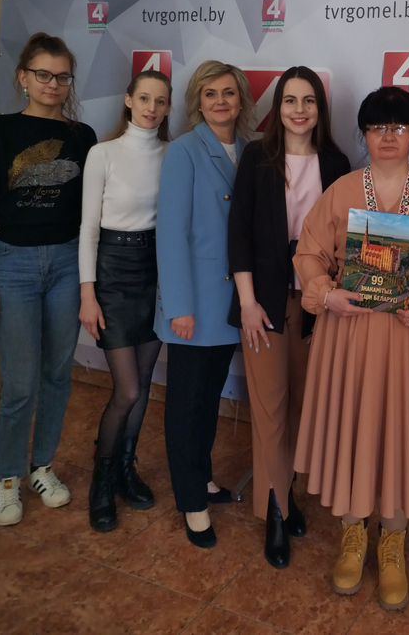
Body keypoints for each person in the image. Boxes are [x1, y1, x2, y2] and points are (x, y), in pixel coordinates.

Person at [293, 86, 409, 610]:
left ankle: (392, 543)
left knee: (398, 433)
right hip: (350, 334)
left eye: (400, 127)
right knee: (354, 429)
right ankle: (352, 535)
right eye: (377, 127)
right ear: (363, 133)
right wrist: (326, 294)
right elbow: (309, 254)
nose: (388, 137)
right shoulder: (342, 189)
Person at [0, 32, 97, 526]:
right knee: (20, 383)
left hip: (67, 263)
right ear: (23, 77)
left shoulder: (82, 137)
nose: (53, 84)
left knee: (58, 375)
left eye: (62, 76)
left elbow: (91, 211)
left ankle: (41, 466)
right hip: (13, 265)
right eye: (43, 74)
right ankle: (6, 478)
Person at [228, 67, 350, 569]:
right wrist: (247, 302)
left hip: (318, 307)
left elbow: (348, 240)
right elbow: (239, 234)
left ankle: (289, 490)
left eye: (309, 101)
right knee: (270, 409)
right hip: (265, 305)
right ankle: (274, 510)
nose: (299, 110)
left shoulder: (338, 162)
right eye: (290, 100)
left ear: (320, 108)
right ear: (277, 108)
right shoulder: (257, 157)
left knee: (303, 406)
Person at [155, 61, 255, 548]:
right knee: (186, 406)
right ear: (198, 100)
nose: (220, 101)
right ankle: (191, 500)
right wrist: (178, 305)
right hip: (193, 304)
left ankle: (203, 476)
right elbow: (171, 234)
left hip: (230, 304)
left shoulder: (250, 150)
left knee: (208, 400)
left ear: (241, 100)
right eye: (210, 93)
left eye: (228, 93)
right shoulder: (183, 151)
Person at [78, 71, 172, 532]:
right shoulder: (103, 153)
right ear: (129, 101)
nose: (152, 108)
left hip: (155, 272)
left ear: (168, 107)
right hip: (112, 273)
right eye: (144, 98)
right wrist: (87, 293)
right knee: (128, 390)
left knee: (145, 382)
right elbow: (88, 230)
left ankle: (124, 469)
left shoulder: (172, 154)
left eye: (161, 101)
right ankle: (101, 479)